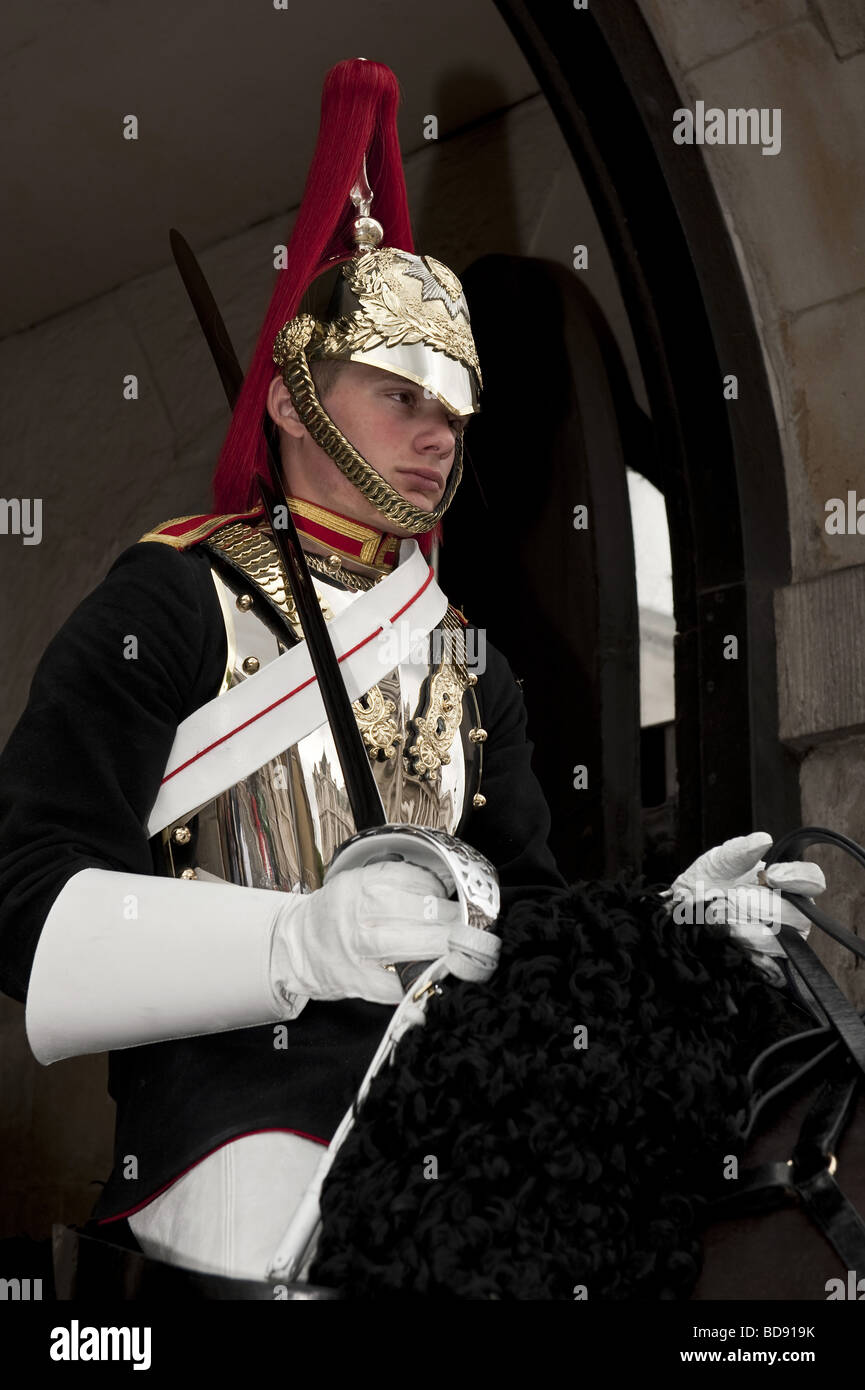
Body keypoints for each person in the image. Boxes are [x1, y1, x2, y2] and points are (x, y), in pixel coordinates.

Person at [0, 58, 824, 1289]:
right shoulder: (170, 603)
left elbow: (530, 925)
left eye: (456, 405)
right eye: (399, 396)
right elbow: (31, 905)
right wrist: (298, 940)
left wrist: (663, 935)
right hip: (240, 1107)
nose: (441, 434)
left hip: (460, 1110)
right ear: (292, 397)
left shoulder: (464, 656)